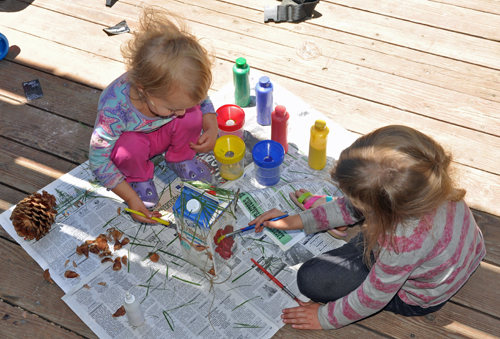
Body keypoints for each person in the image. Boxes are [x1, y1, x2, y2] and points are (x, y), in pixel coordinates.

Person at [250, 125, 486, 330]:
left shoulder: (402, 243)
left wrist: (324, 318)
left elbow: (374, 296)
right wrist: (294, 222)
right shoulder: (428, 185)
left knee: (311, 279)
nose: (349, 201)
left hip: (420, 295)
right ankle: (344, 215)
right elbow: (350, 207)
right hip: (456, 258)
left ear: (383, 213)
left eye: (356, 202)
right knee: (350, 219)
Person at [89, 8, 218, 223]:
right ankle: (138, 178)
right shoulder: (114, 111)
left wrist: (211, 124)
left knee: (192, 115)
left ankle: (181, 157)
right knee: (126, 148)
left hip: (165, 134)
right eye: (173, 108)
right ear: (143, 90)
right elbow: (97, 160)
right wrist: (130, 198)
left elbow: (200, 99)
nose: (180, 112)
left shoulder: (173, 95)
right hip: (137, 141)